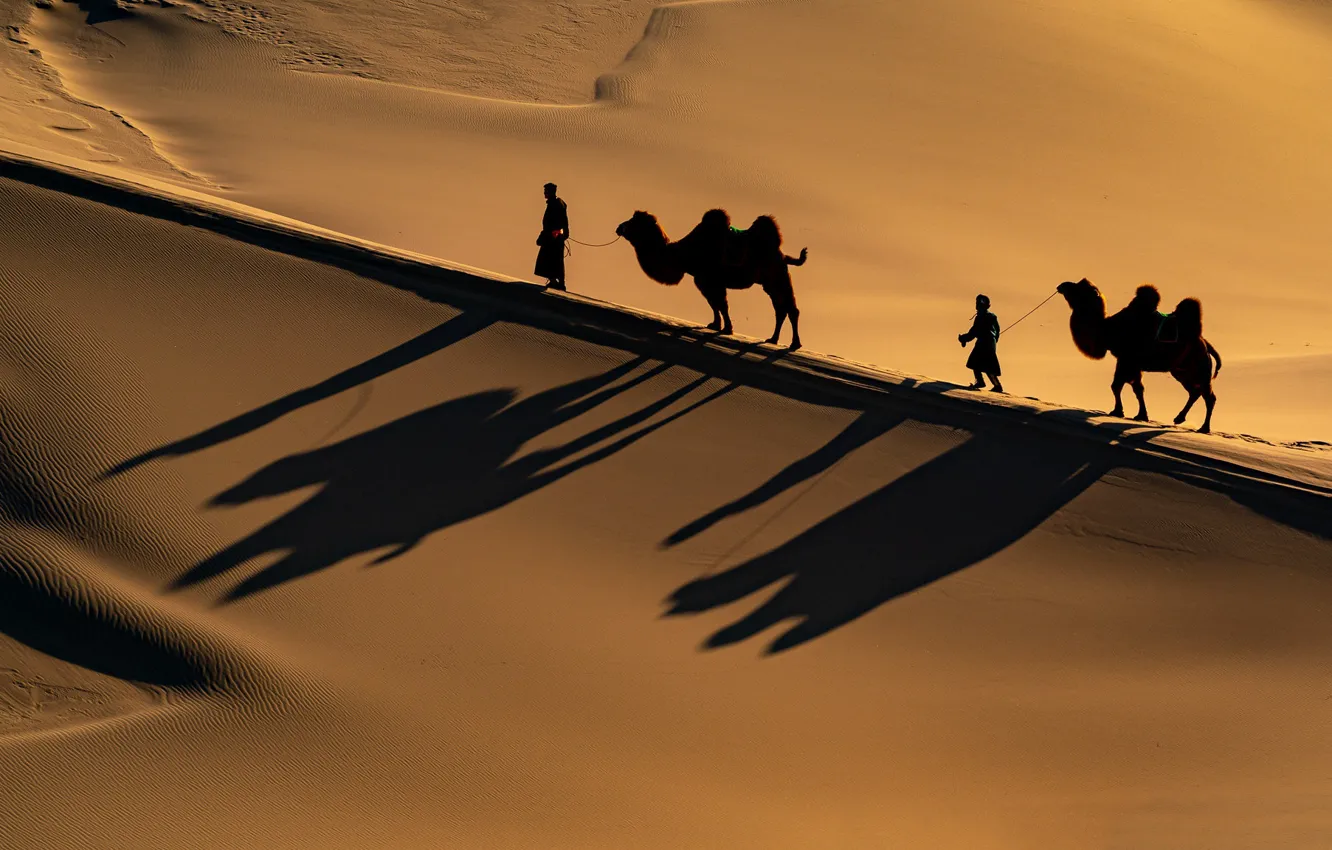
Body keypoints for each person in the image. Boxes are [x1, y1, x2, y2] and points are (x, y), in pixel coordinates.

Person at [959, 294, 1003, 392]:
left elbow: (974, 331)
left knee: (976, 361)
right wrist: (995, 340)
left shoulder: (981, 317)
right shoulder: (992, 316)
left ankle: (980, 382)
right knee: (988, 364)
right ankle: (997, 385)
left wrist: (964, 339)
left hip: (983, 342)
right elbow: (997, 330)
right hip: (990, 343)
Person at [535, 182, 569, 291]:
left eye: (546, 191)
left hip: (553, 236)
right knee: (556, 259)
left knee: (551, 259)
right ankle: (558, 282)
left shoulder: (556, 204)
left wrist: (550, 235)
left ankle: (556, 282)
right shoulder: (557, 204)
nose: (545, 193)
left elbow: (559, 222)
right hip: (555, 236)